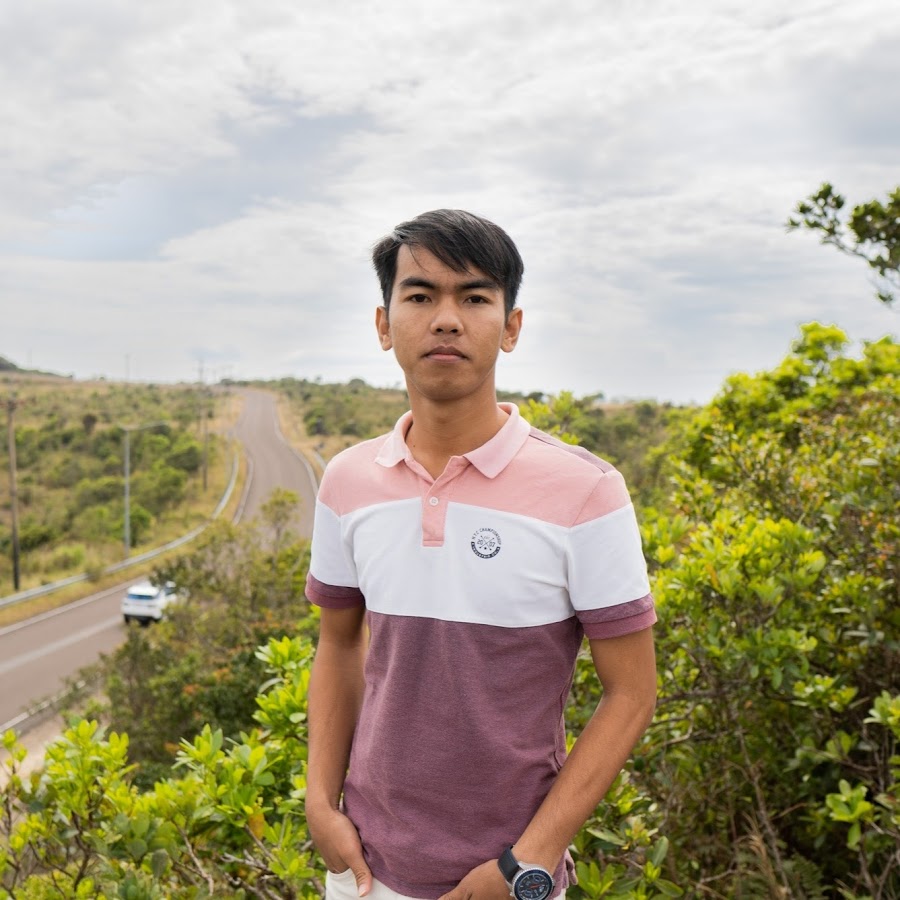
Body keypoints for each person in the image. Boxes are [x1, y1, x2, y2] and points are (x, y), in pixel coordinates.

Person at [305, 209, 657, 900]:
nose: (445, 319)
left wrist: (528, 859)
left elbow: (632, 692)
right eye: (419, 296)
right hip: (363, 873)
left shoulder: (586, 490)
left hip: (507, 877)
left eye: (473, 297)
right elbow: (338, 644)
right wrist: (320, 803)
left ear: (511, 326)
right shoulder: (347, 481)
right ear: (384, 324)